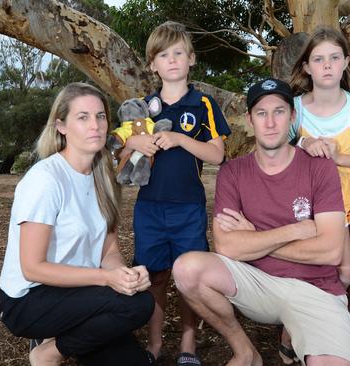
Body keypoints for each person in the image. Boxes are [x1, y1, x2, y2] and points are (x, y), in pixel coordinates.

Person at [173, 78, 350, 366]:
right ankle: (245, 352)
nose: (271, 122)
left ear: (293, 116)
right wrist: (295, 231)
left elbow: (331, 251)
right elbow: (228, 247)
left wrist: (255, 237)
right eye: (261, 113)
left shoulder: (319, 167)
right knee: (187, 269)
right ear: (250, 119)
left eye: (279, 111)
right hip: (257, 284)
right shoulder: (232, 173)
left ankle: (294, 338)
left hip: (317, 289)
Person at [0, 82, 155, 366]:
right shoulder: (45, 180)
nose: (95, 125)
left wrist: (125, 276)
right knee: (138, 306)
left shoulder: (103, 177)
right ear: (61, 126)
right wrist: (107, 279)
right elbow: (33, 268)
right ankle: (48, 352)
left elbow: (108, 252)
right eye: (82, 117)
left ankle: (62, 336)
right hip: (29, 300)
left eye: (100, 116)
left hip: (79, 292)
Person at [120, 21, 231, 365]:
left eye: (178, 53)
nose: (172, 60)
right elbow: (122, 161)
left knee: (187, 278)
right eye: (163, 55)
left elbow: (217, 154)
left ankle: (188, 346)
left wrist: (181, 139)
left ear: (191, 59)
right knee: (153, 276)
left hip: (188, 209)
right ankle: (154, 345)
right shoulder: (140, 108)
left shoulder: (204, 104)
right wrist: (132, 143)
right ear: (152, 64)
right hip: (150, 208)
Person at [283, 26, 350, 355]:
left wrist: (338, 155)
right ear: (306, 67)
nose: (326, 65)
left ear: (345, 64)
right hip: (323, 197)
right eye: (318, 59)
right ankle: (309, 325)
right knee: (340, 269)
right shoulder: (295, 109)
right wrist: (304, 141)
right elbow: (279, 145)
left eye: (334, 58)